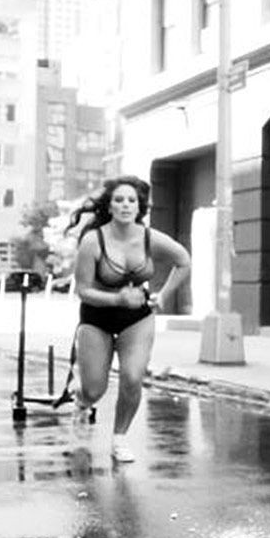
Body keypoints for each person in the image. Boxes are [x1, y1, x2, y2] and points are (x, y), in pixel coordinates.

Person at [55, 175, 191, 463]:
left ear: (139, 207)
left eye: (131, 200)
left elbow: (183, 261)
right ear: (110, 206)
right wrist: (118, 299)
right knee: (95, 389)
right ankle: (82, 402)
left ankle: (119, 439)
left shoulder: (149, 238)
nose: (125, 205)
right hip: (97, 316)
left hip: (137, 318)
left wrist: (164, 295)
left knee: (132, 377)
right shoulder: (93, 241)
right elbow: (83, 290)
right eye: (119, 200)